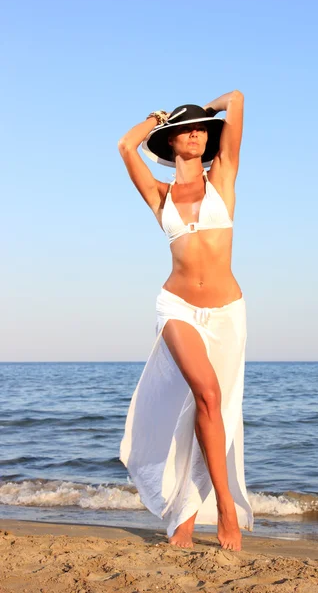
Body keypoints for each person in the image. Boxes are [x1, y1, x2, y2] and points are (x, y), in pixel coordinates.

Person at [118, 91, 253, 552]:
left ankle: (196, 514)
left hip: (226, 312)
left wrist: (207, 111)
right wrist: (158, 117)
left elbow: (236, 99)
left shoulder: (224, 175)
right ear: (171, 141)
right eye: (185, 129)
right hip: (175, 305)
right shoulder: (161, 194)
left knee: (211, 411)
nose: (195, 132)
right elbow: (124, 147)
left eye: (200, 129)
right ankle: (222, 515)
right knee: (206, 394)